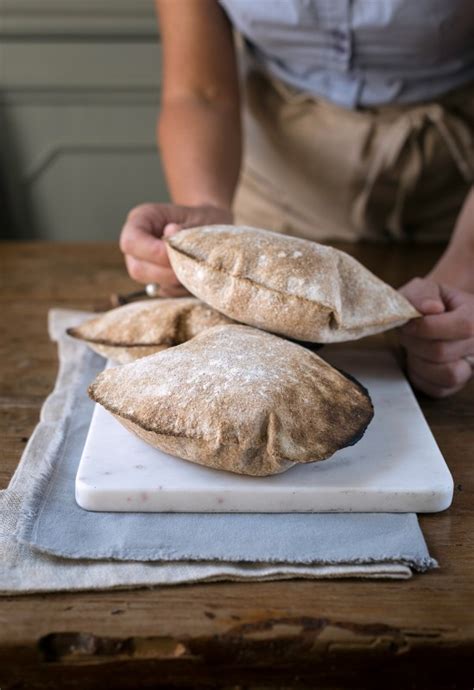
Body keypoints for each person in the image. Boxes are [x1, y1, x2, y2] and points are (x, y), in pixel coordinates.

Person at [119, 0, 474, 398]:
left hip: (454, 184)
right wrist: (206, 215)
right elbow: (200, 93)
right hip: (278, 171)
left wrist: (462, 277)